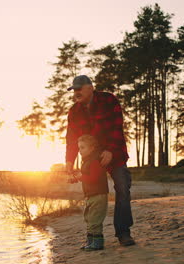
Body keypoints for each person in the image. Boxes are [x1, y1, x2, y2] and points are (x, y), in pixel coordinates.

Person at [65, 75, 136, 246]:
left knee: (122, 187)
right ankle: (95, 235)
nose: (76, 92)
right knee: (93, 195)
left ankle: (123, 232)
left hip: (114, 153)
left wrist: (110, 150)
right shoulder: (74, 111)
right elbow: (72, 137)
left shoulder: (108, 100)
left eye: (79, 88)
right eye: (74, 90)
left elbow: (117, 127)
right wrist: (69, 160)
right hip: (90, 160)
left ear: (90, 87)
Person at [71, 135, 108, 250]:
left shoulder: (94, 161)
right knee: (89, 218)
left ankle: (97, 243)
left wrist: (81, 177)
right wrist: (75, 178)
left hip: (98, 195)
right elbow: (86, 176)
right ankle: (90, 241)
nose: (80, 150)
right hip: (91, 195)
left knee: (95, 219)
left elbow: (94, 178)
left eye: (83, 147)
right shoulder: (87, 162)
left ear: (92, 148)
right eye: (79, 148)